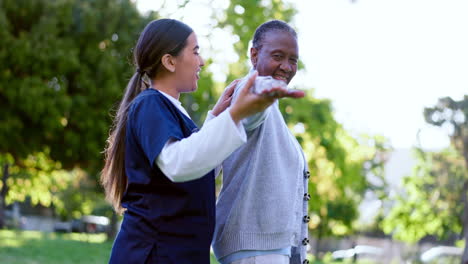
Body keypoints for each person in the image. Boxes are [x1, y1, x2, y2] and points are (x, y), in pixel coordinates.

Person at [100, 19, 302, 264]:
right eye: (195, 52)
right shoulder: (150, 104)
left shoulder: (173, 112)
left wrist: (216, 117)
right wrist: (235, 114)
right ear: (169, 61)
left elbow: (199, 163)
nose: (202, 61)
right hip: (151, 255)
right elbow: (178, 163)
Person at [212, 20, 310, 264]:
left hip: (267, 249)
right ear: (254, 55)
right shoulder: (250, 91)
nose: (287, 67)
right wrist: (262, 90)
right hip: (254, 250)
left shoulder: (270, 105)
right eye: (278, 56)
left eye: (293, 60)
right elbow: (249, 117)